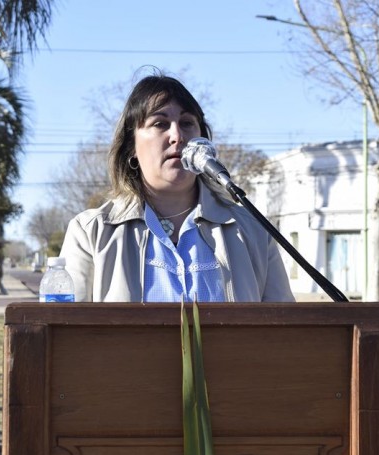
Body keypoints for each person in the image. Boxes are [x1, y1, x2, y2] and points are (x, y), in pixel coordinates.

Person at [59, 72, 294, 303]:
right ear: (131, 146)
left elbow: (285, 333)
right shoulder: (90, 233)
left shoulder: (254, 230)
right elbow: (65, 333)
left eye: (187, 123)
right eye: (160, 123)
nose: (177, 136)